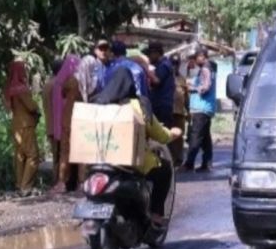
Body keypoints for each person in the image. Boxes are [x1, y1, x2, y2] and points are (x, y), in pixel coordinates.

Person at [90, 65, 181, 224]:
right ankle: (155, 214)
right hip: (132, 163)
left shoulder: (97, 103)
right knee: (165, 169)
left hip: (99, 161)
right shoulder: (139, 105)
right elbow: (159, 134)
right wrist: (172, 133)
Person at [2, 59, 40, 193]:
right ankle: (26, 186)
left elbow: (8, 107)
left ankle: (19, 184)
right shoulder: (21, 89)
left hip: (16, 125)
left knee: (20, 156)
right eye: (23, 69)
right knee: (33, 155)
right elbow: (31, 106)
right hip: (26, 124)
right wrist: (37, 107)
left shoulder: (9, 88)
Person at [50, 54, 81, 192]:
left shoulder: (62, 82)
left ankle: (62, 182)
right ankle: (81, 183)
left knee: (65, 153)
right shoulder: (79, 80)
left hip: (66, 119)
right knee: (82, 153)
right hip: (80, 119)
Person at [183, 48, 216, 172]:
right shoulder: (208, 68)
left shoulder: (205, 69)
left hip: (201, 108)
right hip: (206, 108)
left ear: (202, 56)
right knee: (205, 138)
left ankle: (189, 164)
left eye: (196, 58)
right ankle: (206, 163)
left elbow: (205, 87)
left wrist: (192, 87)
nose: (195, 61)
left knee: (195, 137)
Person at [145, 42, 177, 127]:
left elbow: (157, 81)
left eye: (150, 54)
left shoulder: (164, 65)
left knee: (163, 130)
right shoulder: (158, 65)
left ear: (156, 53)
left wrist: (146, 70)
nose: (149, 57)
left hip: (162, 105)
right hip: (158, 104)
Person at [41, 58, 62, 179]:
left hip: (50, 124)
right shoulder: (58, 85)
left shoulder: (47, 85)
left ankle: (56, 180)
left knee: (55, 156)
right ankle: (59, 180)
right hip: (59, 125)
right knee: (61, 155)